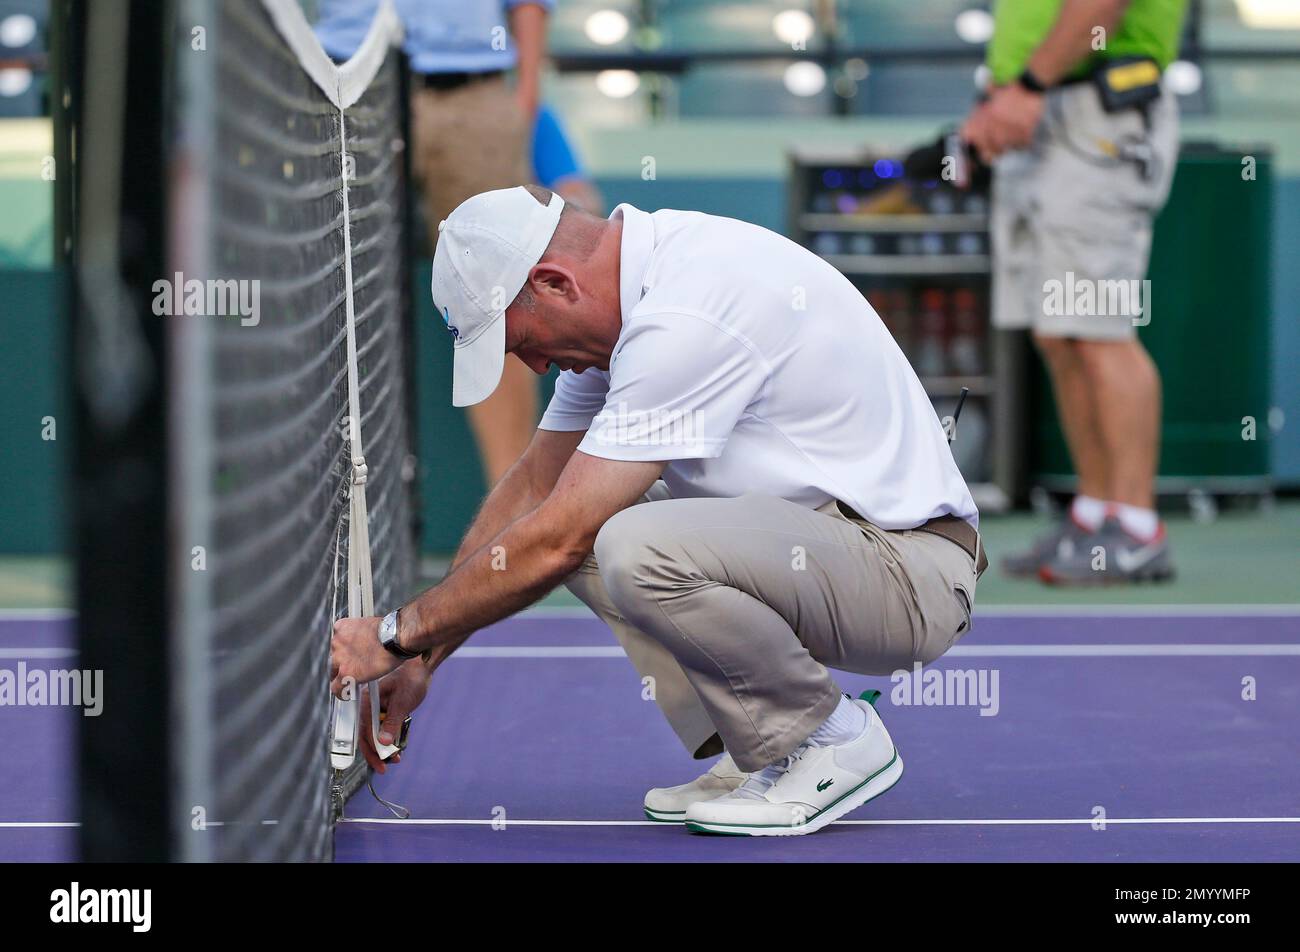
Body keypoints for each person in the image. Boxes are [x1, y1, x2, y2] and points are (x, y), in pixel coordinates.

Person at [331, 185, 984, 836]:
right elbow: (532, 490)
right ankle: (768, 743)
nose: (533, 365)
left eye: (522, 340)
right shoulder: (633, 295)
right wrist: (421, 658)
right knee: (590, 522)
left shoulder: (687, 316)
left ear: (555, 284)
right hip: (835, 554)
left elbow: (558, 537)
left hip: (908, 576)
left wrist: (394, 633)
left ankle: (831, 737)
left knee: (626, 540)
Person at [961, 0, 1186, 584]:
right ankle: (1094, 515)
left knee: (1099, 333)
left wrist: (1029, 86)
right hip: (1036, 116)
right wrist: (998, 103)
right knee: (1059, 335)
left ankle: (1136, 528)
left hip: (1093, 116)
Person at [316, 0, 552, 488]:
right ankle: (324, 519)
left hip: (473, 95)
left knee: (500, 300)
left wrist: (525, 96)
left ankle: (514, 519)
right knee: (330, 295)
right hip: (342, 88)